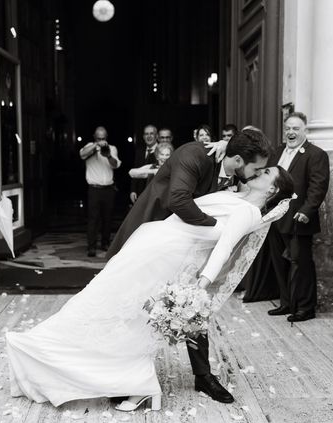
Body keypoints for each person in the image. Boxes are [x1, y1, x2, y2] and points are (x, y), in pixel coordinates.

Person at [6, 166, 294, 410]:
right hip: (155, 245)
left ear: (271, 190)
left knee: (132, 316)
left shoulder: (249, 212)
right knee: (110, 305)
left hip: (165, 257)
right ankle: (85, 364)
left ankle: (134, 382)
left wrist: (200, 285)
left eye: (267, 172)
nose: (260, 170)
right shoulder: (235, 195)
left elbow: (225, 247)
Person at [106, 130, 271, 402]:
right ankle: (125, 376)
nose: (257, 174)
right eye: (257, 169)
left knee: (192, 304)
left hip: (187, 250)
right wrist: (221, 229)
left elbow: (247, 145)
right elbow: (179, 200)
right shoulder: (193, 154)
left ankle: (203, 376)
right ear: (240, 160)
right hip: (151, 236)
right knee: (132, 307)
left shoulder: (234, 169)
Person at [267, 112, 330, 322]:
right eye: (288, 128)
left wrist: (306, 211)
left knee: (300, 263)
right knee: (280, 263)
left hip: (298, 218)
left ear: (305, 131)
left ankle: (305, 307)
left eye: (295, 128)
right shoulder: (277, 153)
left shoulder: (316, 154)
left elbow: (318, 187)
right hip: (275, 217)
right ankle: (287, 303)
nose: (290, 132)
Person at [79, 127, 121, 257]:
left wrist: (108, 155)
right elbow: (82, 155)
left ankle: (105, 243)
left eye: (103, 139)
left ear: (107, 137)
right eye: (99, 138)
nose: (102, 141)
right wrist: (95, 146)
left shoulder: (112, 148)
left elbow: (115, 165)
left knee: (107, 218)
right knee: (93, 219)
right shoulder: (89, 146)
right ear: (94, 137)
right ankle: (91, 247)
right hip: (94, 189)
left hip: (108, 189)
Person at [130, 125, 158, 204]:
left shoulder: (161, 152)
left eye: (151, 133)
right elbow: (136, 170)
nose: (149, 136)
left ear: (156, 136)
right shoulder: (139, 152)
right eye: (146, 134)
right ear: (143, 136)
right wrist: (133, 190)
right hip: (140, 193)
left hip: (155, 193)